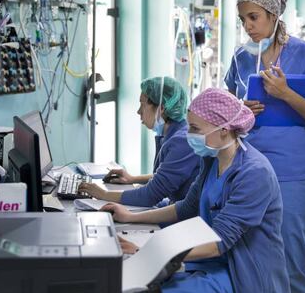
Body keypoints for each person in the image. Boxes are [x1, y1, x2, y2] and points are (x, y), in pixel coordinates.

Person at [102, 88, 290, 293]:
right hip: (210, 260)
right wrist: (130, 217)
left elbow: (219, 240)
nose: (189, 134)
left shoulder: (254, 173)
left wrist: (148, 252)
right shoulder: (211, 159)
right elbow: (185, 208)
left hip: (243, 271)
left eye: (195, 128)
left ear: (224, 129)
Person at [224, 0, 305, 292]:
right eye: (242, 20)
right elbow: (228, 118)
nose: (248, 27)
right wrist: (240, 109)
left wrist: (286, 94)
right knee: (251, 258)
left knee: (292, 264)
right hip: (249, 170)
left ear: (273, 15)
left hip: (293, 173)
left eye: (253, 17)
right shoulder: (240, 58)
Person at [79, 76, 200, 207]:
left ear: (161, 108)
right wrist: (132, 179)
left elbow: (151, 195)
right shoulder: (173, 134)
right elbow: (163, 177)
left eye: (142, 105)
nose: (138, 111)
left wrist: (103, 194)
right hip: (174, 204)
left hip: (186, 217)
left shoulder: (182, 142)